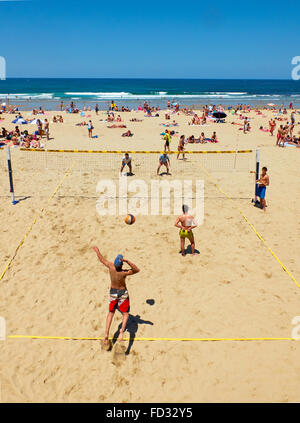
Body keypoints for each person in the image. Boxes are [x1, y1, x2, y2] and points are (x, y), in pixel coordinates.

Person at [92, 247, 140, 347]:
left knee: (111, 313)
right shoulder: (124, 272)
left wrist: (97, 251)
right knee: (126, 314)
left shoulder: (111, 266)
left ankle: (106, 334)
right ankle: (122, 331)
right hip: (122, 293)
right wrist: (127, 261)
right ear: (121, 264)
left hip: (113, 292)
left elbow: (101, 259)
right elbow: (136, 269)